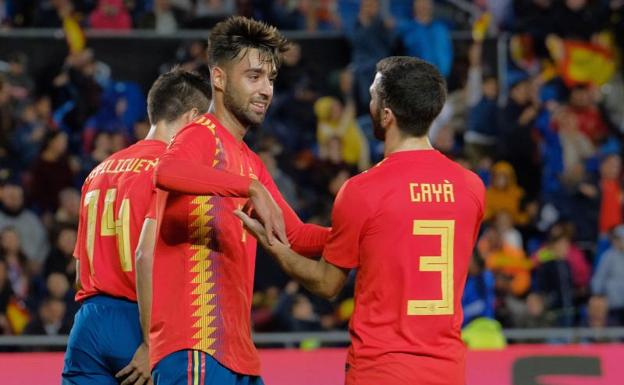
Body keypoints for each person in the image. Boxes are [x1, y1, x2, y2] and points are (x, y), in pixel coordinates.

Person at [238, 56, 485, 385]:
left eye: (372, 96)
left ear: (386, 114)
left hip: (381, 370)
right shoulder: (471, 188)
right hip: (447, 370)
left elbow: (327, 284)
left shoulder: (362, 191)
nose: (368, 103)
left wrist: (274, 246)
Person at [138, 16, 330, 385]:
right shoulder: (201, 134)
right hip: (195, 347)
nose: (266, 90)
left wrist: (363, 232)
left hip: (237, 355)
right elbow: (166, 172)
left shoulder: (248, 160)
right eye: (254, 76)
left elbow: (298, 236)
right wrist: (249, 188)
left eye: (271, 79)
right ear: (219, 79)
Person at [62, 68, 212, 385]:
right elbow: (150, 259)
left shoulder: (98, 172)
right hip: (143, 323)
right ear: (194, 117)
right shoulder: (173, 174)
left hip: (88, 324)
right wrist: (150, 341)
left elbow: (79, 274)